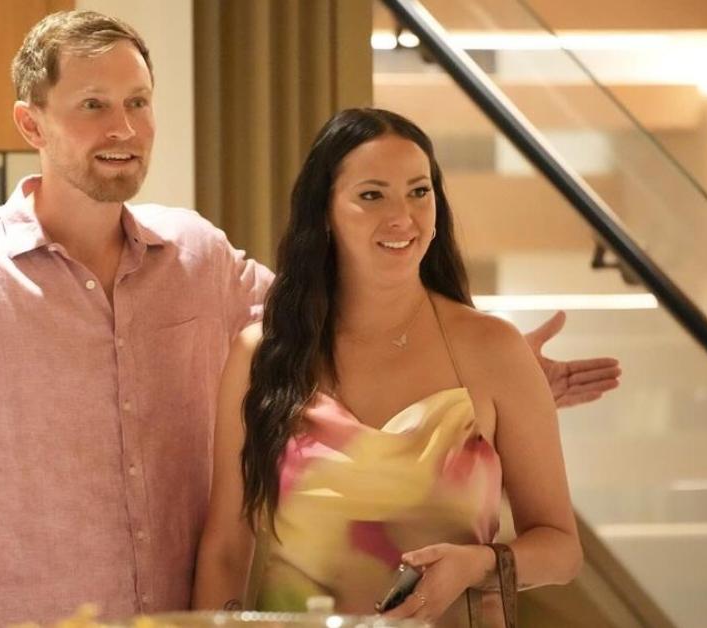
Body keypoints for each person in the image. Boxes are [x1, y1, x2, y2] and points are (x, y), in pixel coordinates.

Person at [0, 11, 613, 627]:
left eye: (139, 102)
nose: (124, 129)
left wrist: (486, 373)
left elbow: (345, 333)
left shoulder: (197, 256)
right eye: (94, 104)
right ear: (32, 122)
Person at [192, 109, 583, 625]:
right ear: (325, 212)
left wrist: (478, 564)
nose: (403, 217)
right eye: (372, 195)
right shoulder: (261, 354)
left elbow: (561, 549)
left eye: (420, 192)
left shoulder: (494, 349)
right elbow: (226, 547)